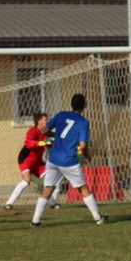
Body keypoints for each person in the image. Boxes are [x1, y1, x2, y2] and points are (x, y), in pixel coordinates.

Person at [31, 94, 107, 226]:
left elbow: (43, 130)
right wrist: (87, 155)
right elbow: (83, 145)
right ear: (84, 106)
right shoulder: (83, 122)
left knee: (48, 189)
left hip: (53, 158)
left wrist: (56, 136)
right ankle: (98, 218)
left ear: (71, 104)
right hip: (68, 161)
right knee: (83, 188)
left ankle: (35, 220)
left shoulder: (61, 115)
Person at [4, 112, 59, 211]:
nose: (48, 121)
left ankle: (53, 204)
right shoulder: (32, 131)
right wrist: (42, 142)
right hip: (26, 160)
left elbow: (55, 146)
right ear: (39, 122)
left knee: (54, 178)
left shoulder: (48, 134)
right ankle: (9, 204)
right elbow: (29, 143)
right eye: (46, 120)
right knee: (27, 180)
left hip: (38, 163)